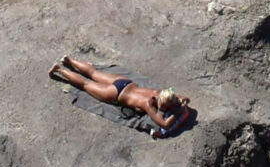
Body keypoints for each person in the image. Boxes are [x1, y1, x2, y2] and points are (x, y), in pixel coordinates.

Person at [49, 57, 193, 133]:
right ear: (163, 102)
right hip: (115, 94)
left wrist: (180, 102)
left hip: (124, 83)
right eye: (166, 107)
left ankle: (69, 60)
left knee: (94, 73)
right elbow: (165, 124)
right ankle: (60, 70)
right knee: (85, 85)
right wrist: (177, 112)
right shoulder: (148, 104)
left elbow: (185, 98)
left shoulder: (161, 93)